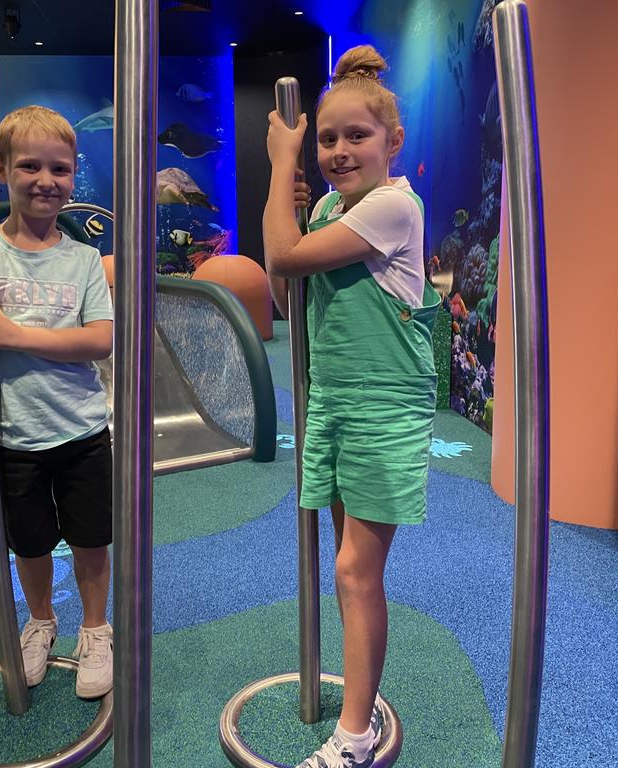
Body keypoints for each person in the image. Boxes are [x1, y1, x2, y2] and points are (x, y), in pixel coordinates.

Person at [263, 45, 441, 768]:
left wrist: (283, 163)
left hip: (383, 405)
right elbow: (289, 300)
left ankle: (356, 735)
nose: (338, 151)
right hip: (334, 399)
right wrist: (303, 209)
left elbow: (280, 258)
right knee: (347, 564)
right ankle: (354, 707)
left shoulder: (394, 206)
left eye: (355, 136)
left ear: (392, 143)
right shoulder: (340, 207)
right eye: (328, 139)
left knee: (354, 572)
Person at [0, 105, 114, 699]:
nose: (45, 180)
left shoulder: (84, 259)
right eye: (29, 165)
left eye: (59, 168)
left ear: (73, 173)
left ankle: (94, 627)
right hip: (12, 435)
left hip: (82, 430)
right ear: (0, 168)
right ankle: (41, 623)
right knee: (29, 542)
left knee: (91, 538)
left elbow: (100, 339)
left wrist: (16, 335)